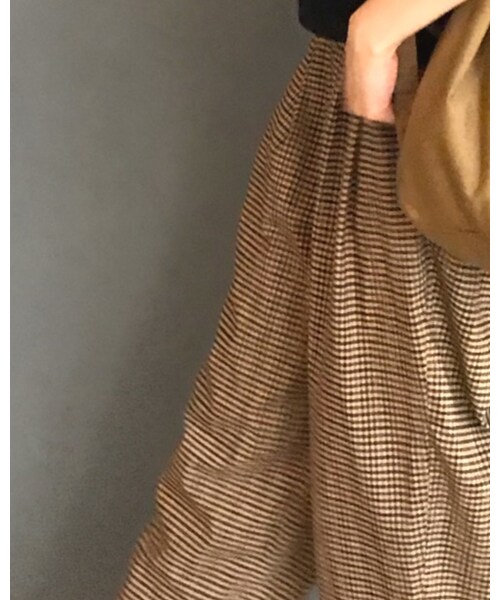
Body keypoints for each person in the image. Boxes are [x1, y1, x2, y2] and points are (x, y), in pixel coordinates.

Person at [116, 1, 490, 598]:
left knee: (416, 535)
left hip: (448, 107)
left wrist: (384, 26)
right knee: (233, 478)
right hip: (350, 74)